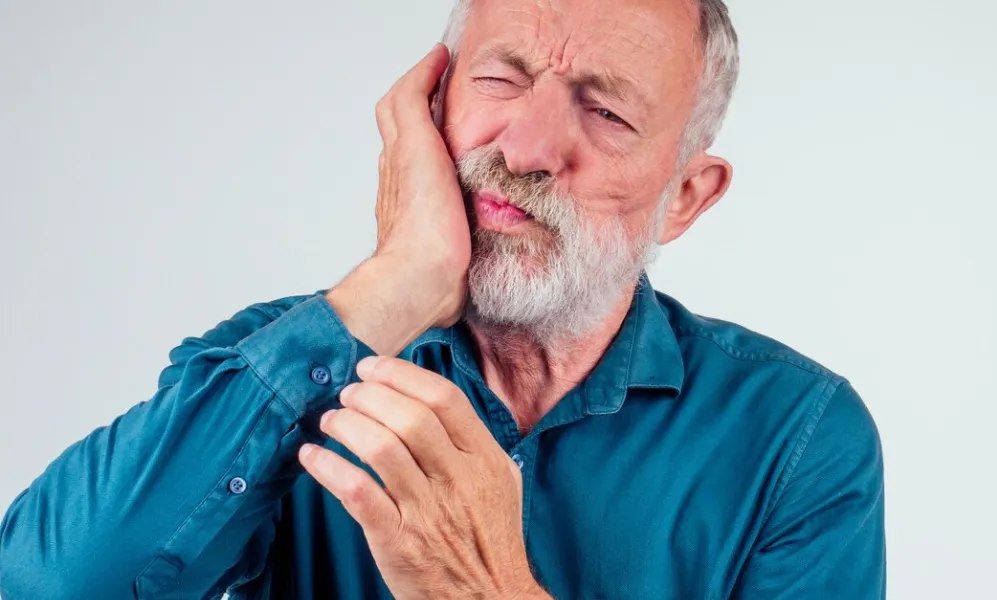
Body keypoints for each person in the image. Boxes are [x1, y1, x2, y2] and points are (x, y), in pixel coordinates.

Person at [0, 0, 885, 598]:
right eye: (501, 79)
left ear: (686, 197)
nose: (526, 145)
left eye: (605, 113)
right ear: (429, 107)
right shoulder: (286, 361)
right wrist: (397, 281)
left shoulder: (797, 437)